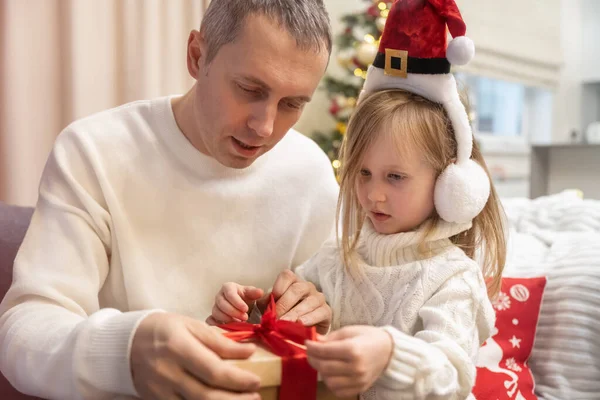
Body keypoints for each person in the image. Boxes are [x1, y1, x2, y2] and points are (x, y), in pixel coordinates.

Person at [0, 1, 338, 399]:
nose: (264, 127)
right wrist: (126, 351)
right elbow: (22, 333)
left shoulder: (309, 170)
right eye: (250, 89)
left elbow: (353, 316)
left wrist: (318, 311)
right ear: (197, 56)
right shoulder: (93, 151)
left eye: (292, 104)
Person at [211, 1, 507, 399]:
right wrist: (255, 312)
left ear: (448, 184)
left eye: (395, 177)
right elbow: (293, 327)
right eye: (363, 173)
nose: (373, 193)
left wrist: (389, 353)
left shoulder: (453, 278)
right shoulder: (335, 260)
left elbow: (451, 375)